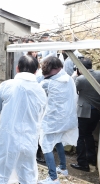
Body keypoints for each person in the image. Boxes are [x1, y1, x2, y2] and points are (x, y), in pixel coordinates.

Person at [0, 55, 47, 184]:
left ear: (17, 68)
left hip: (7, 137)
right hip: (30, 138)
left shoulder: (8, 85)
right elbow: (41, 114)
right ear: (36, 71)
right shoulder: (41, 91)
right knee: (27, 173)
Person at [38, 56, 78, 184]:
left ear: (51, 69)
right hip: (67, 119)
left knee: (45, 145)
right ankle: (63, 167)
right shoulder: (69, 79)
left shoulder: (47, 83)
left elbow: (38, 100)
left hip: (52, 122)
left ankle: (53, 178)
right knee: (58, 140)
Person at [70, 58, 100, 171]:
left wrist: (74, 75)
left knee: (80, 136)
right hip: (97, 111)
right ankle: (92, 158)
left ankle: (82, 163)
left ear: (81, 68)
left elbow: (72, 89)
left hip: (84, 112)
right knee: (89, 134)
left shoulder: (80, 79)